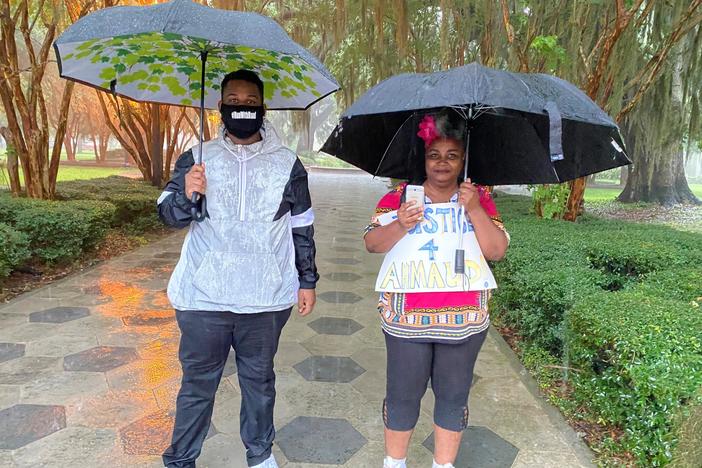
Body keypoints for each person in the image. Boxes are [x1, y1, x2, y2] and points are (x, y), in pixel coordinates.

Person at [157, 69, 318, 468]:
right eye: (234, 102)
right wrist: (188, 193)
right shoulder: (196, 158)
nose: (241, 109)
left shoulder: (287, 163)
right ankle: (181, 459)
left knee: (260, 383)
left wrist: (307, 279)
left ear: (262, 109)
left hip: (266, 297)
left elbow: (302, 224)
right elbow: (168, 216)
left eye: (250, 104)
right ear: (220, 107)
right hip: (202, 297)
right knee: (197, 385)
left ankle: (260, 455)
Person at [364, 110, 509, 468]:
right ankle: (394, 463)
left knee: (453, 396)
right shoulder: (401, 197)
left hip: (463, 320)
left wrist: (473, 208)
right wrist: (400, 222)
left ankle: (442, 465)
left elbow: (496, 251)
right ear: (423, 159)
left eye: (452, 156)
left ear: (463, 160)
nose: (442, 164)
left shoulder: (479, 198)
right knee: (402, 395)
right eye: (434, 155)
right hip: (406, 319)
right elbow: (372, 244)